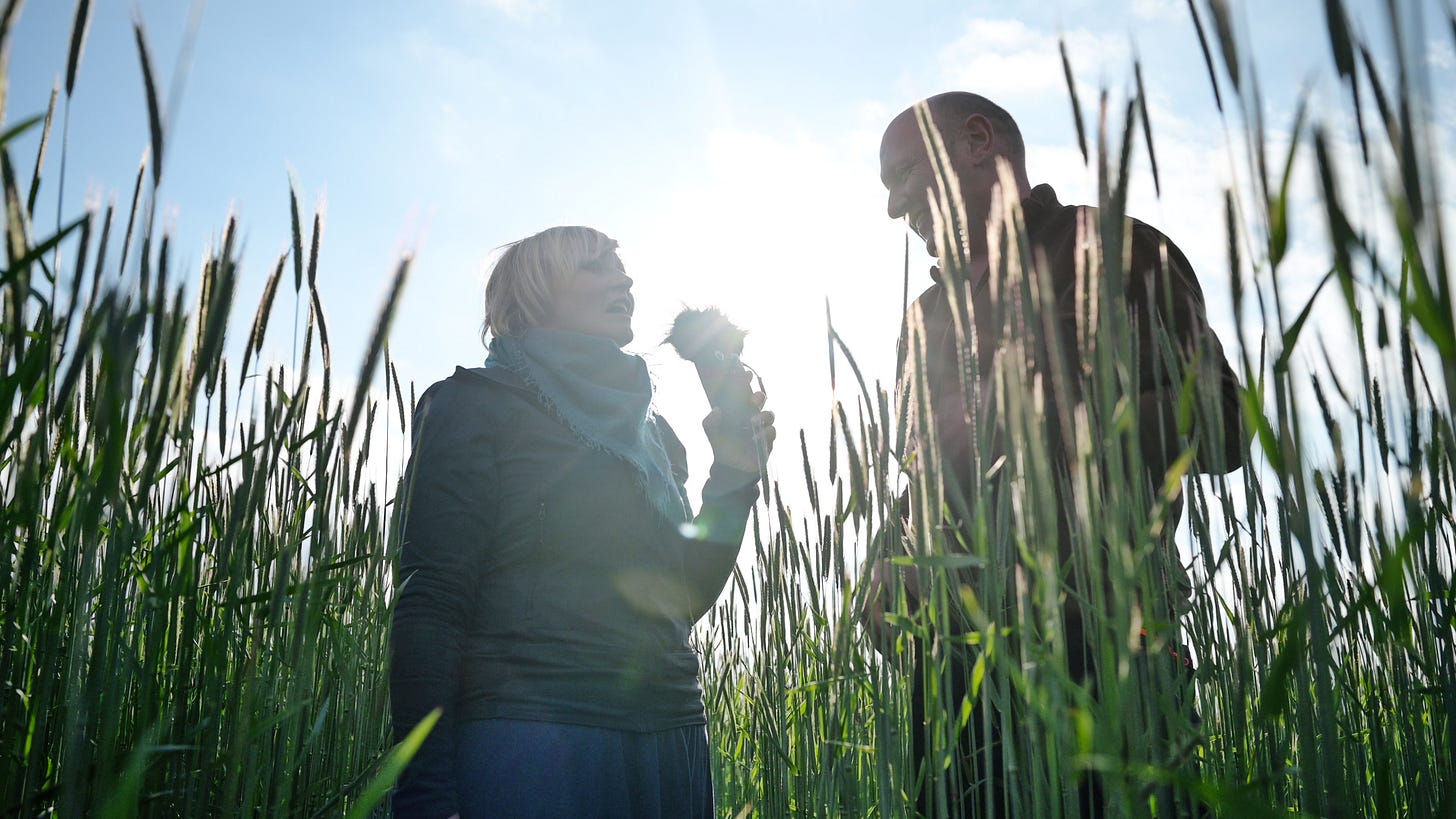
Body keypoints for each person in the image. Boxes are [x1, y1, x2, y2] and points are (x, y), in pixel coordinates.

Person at [864, 93, 1245, 817]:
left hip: (1106, 668)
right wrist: (886, 582)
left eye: (904, 175)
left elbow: (1223, 422)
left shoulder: (1114, 250)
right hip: (952, 696)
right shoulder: (923, 319)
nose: (894, 209)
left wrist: (1044, 419)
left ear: (977, 141)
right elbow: (921, 478)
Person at [389, 226, 775, 819]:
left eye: (622, 268)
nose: (624, 279)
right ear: (534, 293)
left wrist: (732, 475)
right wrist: (425, 793)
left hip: (672, 736)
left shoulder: (654, 436)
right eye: (596, 266)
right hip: (532, 742)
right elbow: (432, 601)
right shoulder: (472, 406)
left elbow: (678, 599)